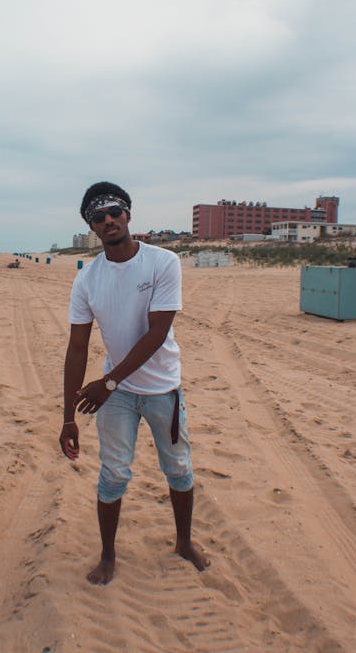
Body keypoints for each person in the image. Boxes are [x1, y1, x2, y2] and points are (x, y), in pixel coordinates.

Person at [59, 181, 209, 585]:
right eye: (97, 216)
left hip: (162, 388)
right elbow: (76, 348)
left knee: (178, 468)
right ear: (91, 226)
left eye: (114, 212)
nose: (107, 220)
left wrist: (106, 382)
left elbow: (157, 332)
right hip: (120, 395)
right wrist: (67, 418)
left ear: (128, 215)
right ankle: (108, 556)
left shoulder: (163, 262)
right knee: (113, 475)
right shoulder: (87, 279)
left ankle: (183, 541)